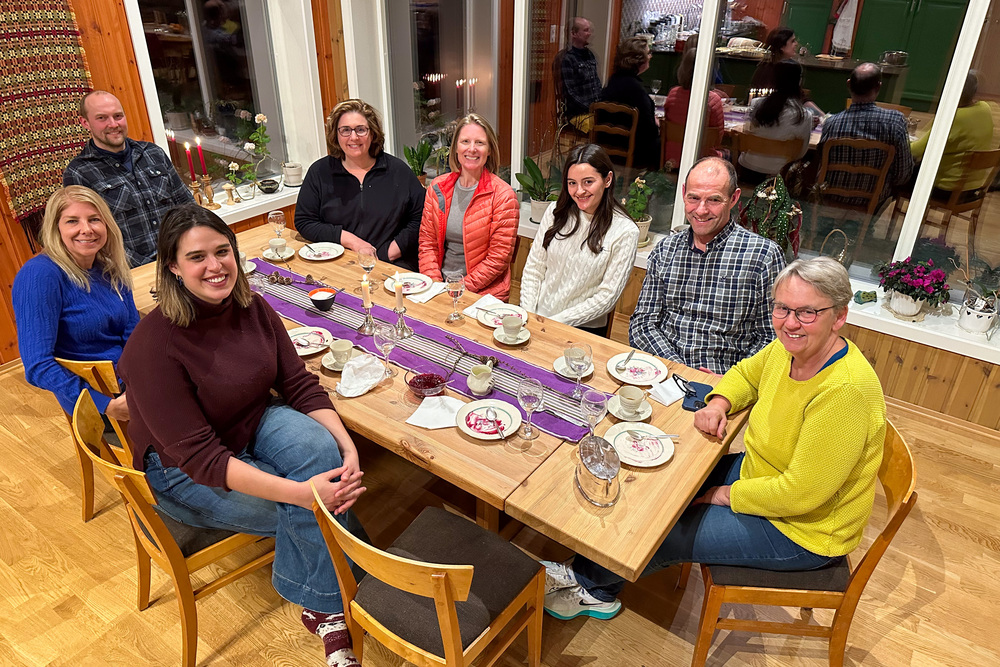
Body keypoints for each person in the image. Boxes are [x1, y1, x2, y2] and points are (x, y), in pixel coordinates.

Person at [544, 257, 887, 620]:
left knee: (663, 531)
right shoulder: (788, 348)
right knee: (659, 483)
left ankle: (592, 589)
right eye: (782, 308)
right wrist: (720, 401)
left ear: (839, 316)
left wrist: (722, 495)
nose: (789, 323)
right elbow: (746, 374)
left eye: (807, 313)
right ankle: (593, 566)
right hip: (763, 474)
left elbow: (801, 493)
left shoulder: (844, 391)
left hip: (804, 530)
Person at [118, 205, 366, 667]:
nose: (215, 266)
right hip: (182, 472)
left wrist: (347, 446)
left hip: (247, 420)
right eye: (197, 257)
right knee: (310, 505)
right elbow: (201, 459)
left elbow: (297, 383)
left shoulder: (252, 306)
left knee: (324, 453)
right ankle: (332, 604)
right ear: (172, 266)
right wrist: (302, 494)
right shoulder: (153, 346)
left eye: (222, 251)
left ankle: (334, 578)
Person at [629, 157, 785, 374]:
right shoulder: (665, 250)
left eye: (713, 200)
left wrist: (733, 379)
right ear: (684, 193)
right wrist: (679, 369)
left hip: (725, 382)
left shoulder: (763, 256)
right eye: (693, 198)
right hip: (663, 372)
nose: (701, 210)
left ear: (734, 198)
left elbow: (772, 338)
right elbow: (642, 324)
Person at [13, 185, 138, 419]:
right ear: (55, 228)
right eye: (72, 221)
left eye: (94, 219)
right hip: (98, 406)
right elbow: (38, 366)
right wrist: (104, 404)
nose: (86, 229)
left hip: (133, 384)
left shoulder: (110, 267)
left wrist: (142, 379)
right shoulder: (40, 275)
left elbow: (134, 333)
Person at [63, 91, 194, 267]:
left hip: (183, 259)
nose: (113, 124)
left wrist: (191, 251)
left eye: (118, 116)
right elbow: (93, 236)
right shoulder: (78, 172)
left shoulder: (153, 153)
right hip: (131, 271)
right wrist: (150, 267)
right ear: (85, 123)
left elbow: (187, 206)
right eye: (102, 118)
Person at [519, 145, 638, 335]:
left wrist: (555, 323)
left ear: (607, 179)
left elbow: (607, 297)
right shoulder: (555, 211)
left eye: (588, 182)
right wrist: (528, 313)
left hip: (582, 329)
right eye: (572, 183)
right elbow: (534, 268)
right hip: (537, 317)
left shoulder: (625, 231)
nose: (579, 191)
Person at [294, 99, 425, 271]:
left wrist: (390, 252)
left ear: (373, 133)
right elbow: (304, 221)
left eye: (361, 129)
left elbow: (422, 218)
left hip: (392, 266)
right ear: (336, 134)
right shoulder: (319, 172)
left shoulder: (398, 171)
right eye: (345, 130)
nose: (353, 137)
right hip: (339, 264)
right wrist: (352, 241)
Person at [418, 114, 519, 300]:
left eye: (480, 143)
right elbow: (427, 243)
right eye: (465, 141)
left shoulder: (504, 196)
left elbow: (497, 259)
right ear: (456, 147)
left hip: (483, 293)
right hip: (439, 286)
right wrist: (434, 284)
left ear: (489, 150)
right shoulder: (437, 187)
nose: (472, 149)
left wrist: (458, 289)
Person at [819, 63, 914, 212]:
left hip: (830, 199)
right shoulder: (895, 122)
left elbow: (820, 164)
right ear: (878, 87)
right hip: (872, 202)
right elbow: (902, 175)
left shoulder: (831, 123)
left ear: (849, 85)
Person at [910, 71, 995, 195]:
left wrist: (898, 139)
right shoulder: (985, 108)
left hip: (944, 187)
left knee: (894, 174)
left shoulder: (953, 117)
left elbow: (916, 151)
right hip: (973, 187)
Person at [738, 60, 812, 181]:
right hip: (781, 175)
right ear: (799, 81)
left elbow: (746, 131)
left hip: (747, 169)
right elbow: (800, 153)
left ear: (773, 80)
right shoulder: (803, 116)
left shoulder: (757, 104)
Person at [599, 37, 660, 170]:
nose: (650, 57)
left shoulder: (613, 81)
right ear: (639, 60)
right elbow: (649, 130)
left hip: (605, 145)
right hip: (630, 152)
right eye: (648, 53)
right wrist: (657, 124)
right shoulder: (636, 90)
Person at [663, 48, 725, 168]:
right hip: (702, 160)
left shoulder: (673, 93)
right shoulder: (713, 100)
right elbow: (718, 139)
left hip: (671, 157)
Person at [750, 27, 824, 116]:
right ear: (782, 46)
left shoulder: (790, 67)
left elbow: (801, 97)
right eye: (792, 41)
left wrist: (824, 116)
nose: (796, 44)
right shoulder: (767, 68)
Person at [559, 17, 602, 132]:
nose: (590, 34)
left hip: (595, 110)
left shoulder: (590, 55)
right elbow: (569, 92)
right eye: (586, 30)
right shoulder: (567, 59)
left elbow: (597, 83)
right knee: (603, 128)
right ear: (574, 33)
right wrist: (591, 107)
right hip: (578, 113)